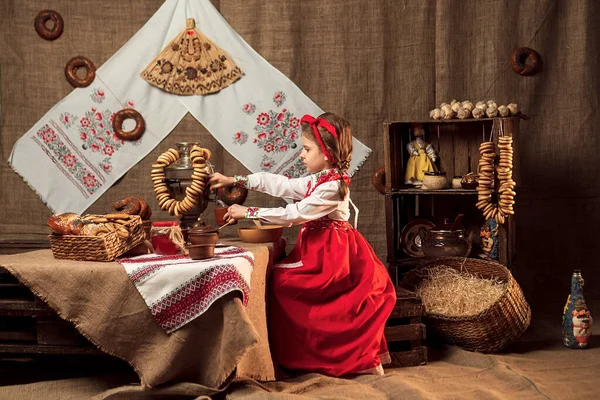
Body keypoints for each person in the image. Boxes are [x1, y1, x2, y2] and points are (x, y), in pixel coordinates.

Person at [208, 112, 396, 377]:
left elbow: (295, 214)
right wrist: (236, 180)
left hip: (334, 255)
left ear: (327, 152)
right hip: (317, 249)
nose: (301, 155)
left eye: (307, 149)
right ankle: (305, 354)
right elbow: (282, 184)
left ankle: (339, 357)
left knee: (286, 285)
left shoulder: (334, 187)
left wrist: (248, 212)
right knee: (282, 282)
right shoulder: (320, 179)